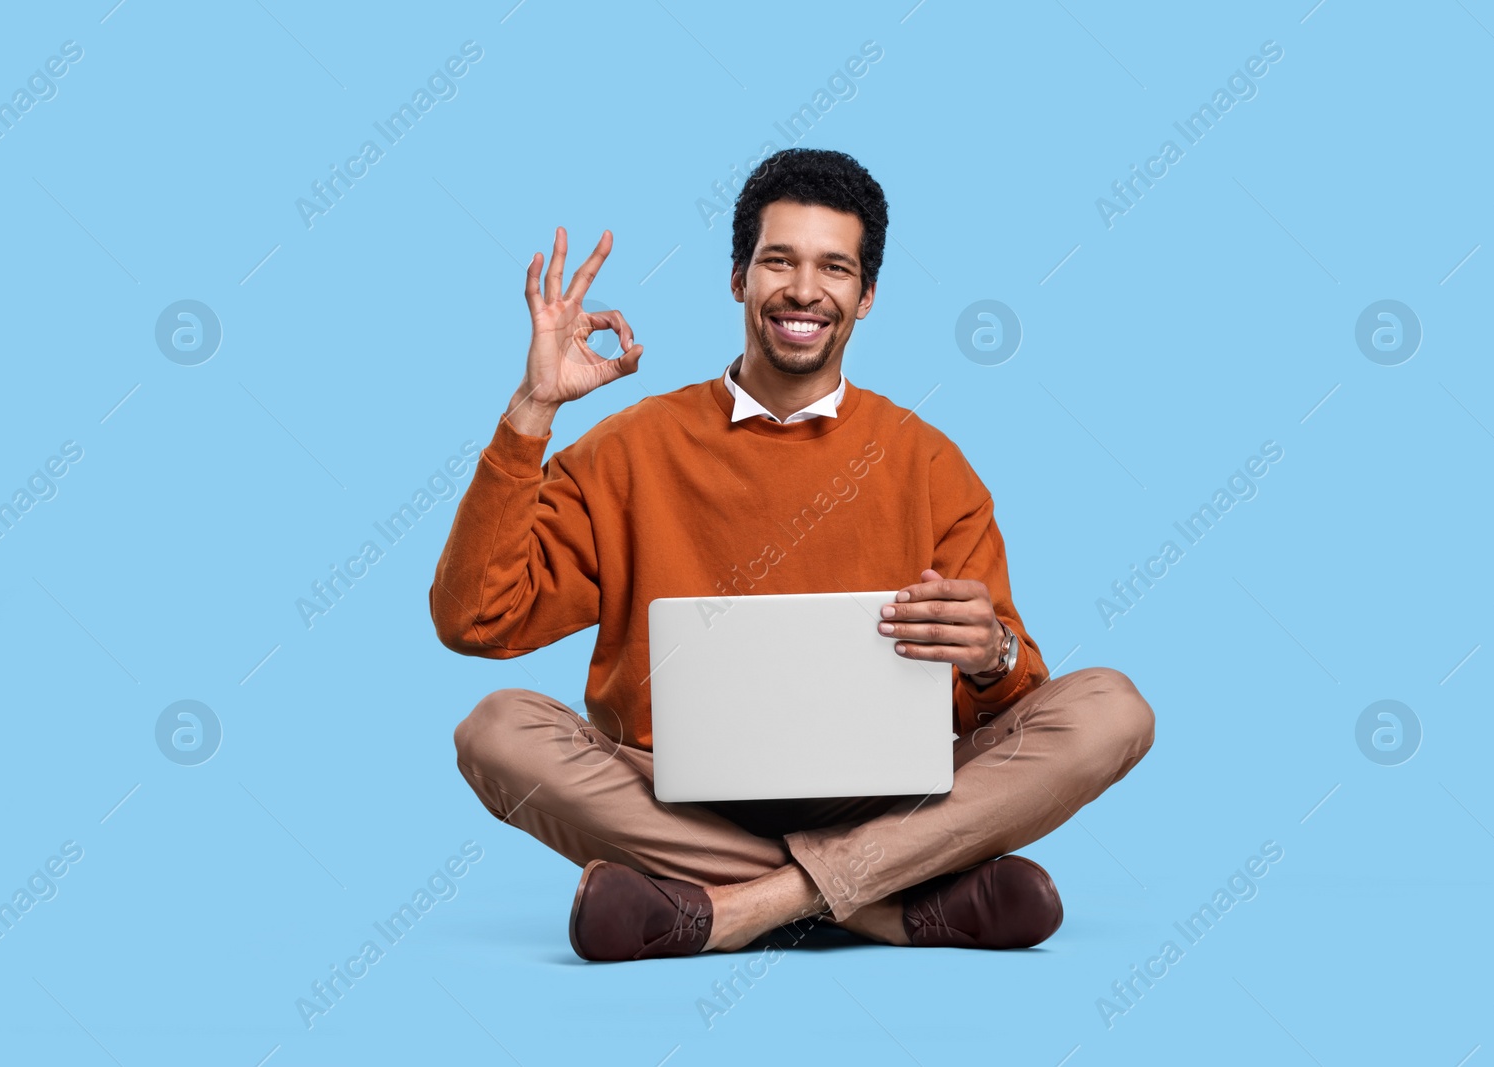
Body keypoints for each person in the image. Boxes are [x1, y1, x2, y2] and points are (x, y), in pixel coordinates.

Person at [432, 148, 1154, 962]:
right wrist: (533, 408)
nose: (805, 290)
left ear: (867, 296)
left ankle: (735, 909)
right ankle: (886, 907)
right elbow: (476, 619)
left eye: (834, 267)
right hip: (680, 801)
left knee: (1111, 708)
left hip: (893, 803)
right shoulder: (627, 451)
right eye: (779, 260)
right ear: (738, 277)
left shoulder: (929, 463)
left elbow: (1007, 704)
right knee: (496, 730)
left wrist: (997, 654)